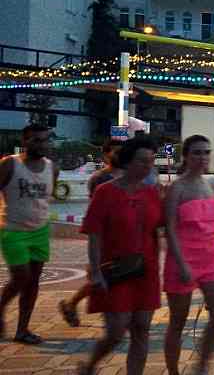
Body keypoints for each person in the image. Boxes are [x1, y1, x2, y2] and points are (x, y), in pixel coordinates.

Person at [79, 136, 163, 375]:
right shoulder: (105, 192)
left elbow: (162, 227)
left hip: (146, 270)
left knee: (142, 329)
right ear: (127, 162)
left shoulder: (152, 193)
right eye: (141, 161)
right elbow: (93, 233)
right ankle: (90, 365)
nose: (147, 166)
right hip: (116, 269)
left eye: (150, 161)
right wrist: (95, 271)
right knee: (116, 331)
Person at [162, 135, 214, 375]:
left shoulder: (210, 185)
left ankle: (201, 365)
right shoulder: (176, 188)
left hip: (211, 258)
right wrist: (181, 264)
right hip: (182, 258)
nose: (203, 158)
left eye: (206, 152)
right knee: (178, 321)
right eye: (197, 153)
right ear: (186, 157)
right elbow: (169, 229)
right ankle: (173, 371)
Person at [0, 124, 57, 345]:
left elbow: (46, 198)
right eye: (36, 140)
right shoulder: (9, 164)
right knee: (20, 277)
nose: (41, 144)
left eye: (44, 140)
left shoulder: (52, 167)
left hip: (40, 230)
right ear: (25, 141)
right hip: (13, 230)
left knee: (33, 282)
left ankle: (22, 330)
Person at [59, 140, 123, 328]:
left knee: (116, 274)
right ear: (106, 155)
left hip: (123, 234)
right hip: (104, 235)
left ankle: (73, 304)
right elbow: (97, 209)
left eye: (122, 151)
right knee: (102, 275)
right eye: (116, 152)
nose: (120, 155)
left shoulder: (131, 175)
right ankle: (75, 305)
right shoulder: (99, 178)